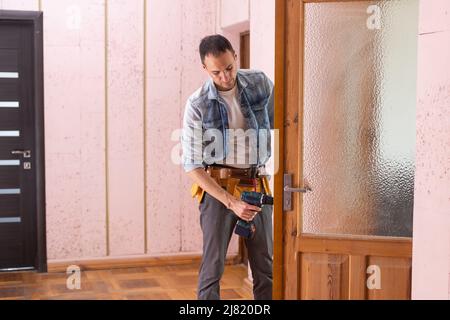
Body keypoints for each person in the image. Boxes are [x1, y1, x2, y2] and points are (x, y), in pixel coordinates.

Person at [181, 34, 274, 300]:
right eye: (216, 72)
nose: (225, 77)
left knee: (265, 267)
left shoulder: (260, 83)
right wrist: (230, 202)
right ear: (205, 69)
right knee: (213, 268)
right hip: (218, 190)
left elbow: (287, 123)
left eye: (229, 68)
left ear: (235, 55)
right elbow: (192, 165)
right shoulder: (197, 104)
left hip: (256, 183)